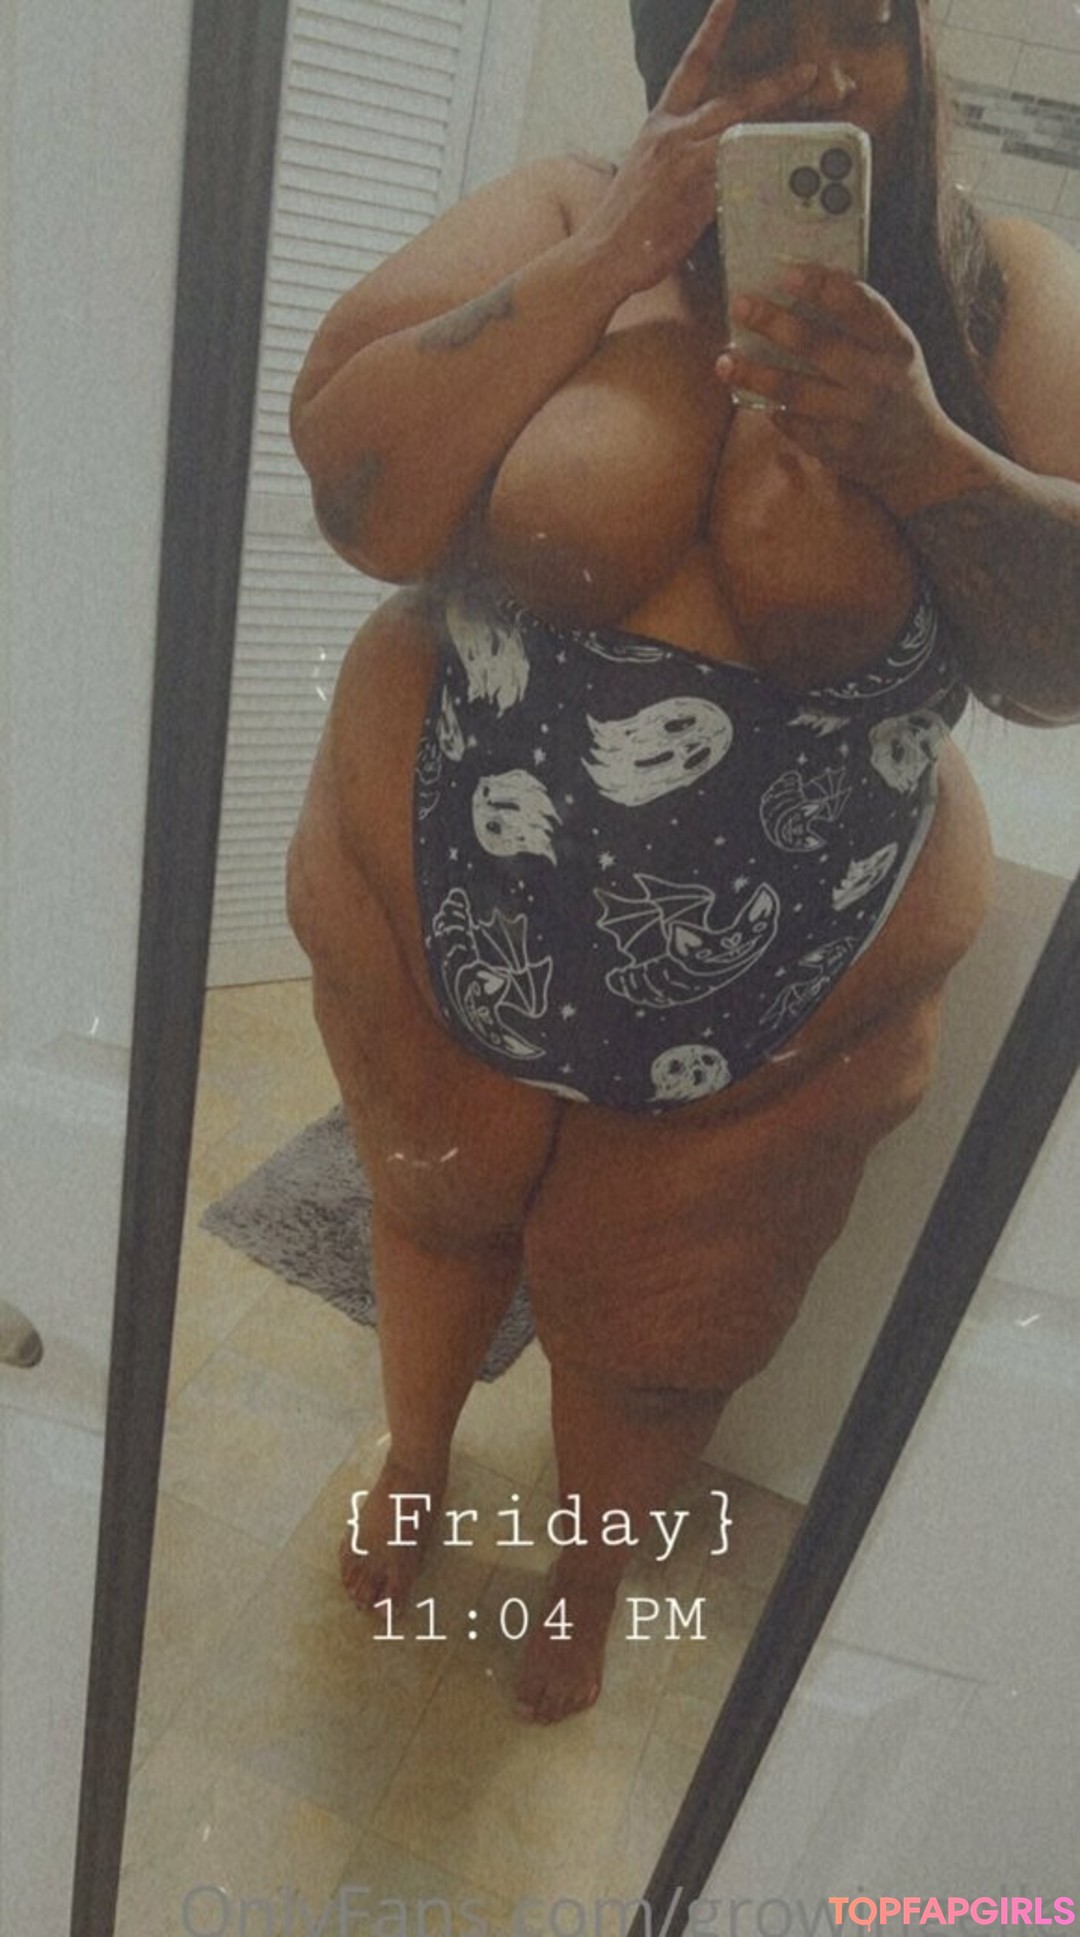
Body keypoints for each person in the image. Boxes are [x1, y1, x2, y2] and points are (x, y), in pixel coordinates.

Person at [286, 0, 1080, 1724]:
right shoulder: (572, 211)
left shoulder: (1002, 292)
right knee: (429, 1212)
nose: (820, 78)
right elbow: (357, 493)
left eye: (863, 26)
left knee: (661, 1345)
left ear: (921, 46)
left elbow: (1062, 666)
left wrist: (925, 457)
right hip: (444, 908)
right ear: (671, 54)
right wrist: (614, 258)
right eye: (761, 33)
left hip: (787, 1015)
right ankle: (417, 1454)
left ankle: (586, 1580)